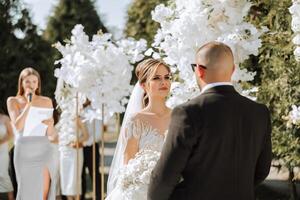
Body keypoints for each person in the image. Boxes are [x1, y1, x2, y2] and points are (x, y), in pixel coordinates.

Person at [148, 41, 272, 200]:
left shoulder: (188, 112)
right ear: (233, 70)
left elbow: (164, 177)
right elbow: (262, 171)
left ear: (199, 70)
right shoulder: (260, 112)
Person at [106, 58, 172, 200]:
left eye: (167, 77)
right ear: (143, 85)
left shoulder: (179, 116)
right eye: (156, 78)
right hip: (142, 193)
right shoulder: (136, 121)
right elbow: (128, 166)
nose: (164, 82)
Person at [7, 67, 58, 200]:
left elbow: (51, 134)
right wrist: (29, 104)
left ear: (38, 84)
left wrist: (51, 125)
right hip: (24, 151)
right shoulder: (13, 101)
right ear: (21, 83)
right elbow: (18, 126)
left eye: (34, 82)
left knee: (44, 192)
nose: (31, 85)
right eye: (28, 81)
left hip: (43, 149)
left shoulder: (47, 101)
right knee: (26, 191)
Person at [59, 115, 89, 200]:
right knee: (66, 181)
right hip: (64, 152)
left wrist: (76, 141)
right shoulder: (62, 118)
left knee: (74, 181)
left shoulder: (78, 118)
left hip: (74, 152)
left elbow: (86, 136)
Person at [81, 101, 102, 200]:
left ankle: (98, 196)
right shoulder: (78, 111)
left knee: (94, 174)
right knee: (80, 175)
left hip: (91, 147)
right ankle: (82, 196)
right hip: (79, 148)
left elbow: (98, 134)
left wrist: (84, 142)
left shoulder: (96, 112)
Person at [0, 109, 14, 200]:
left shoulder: (5, 118)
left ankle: (11, 198)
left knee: (2, 174)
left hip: (2, 151)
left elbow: (11, 134)